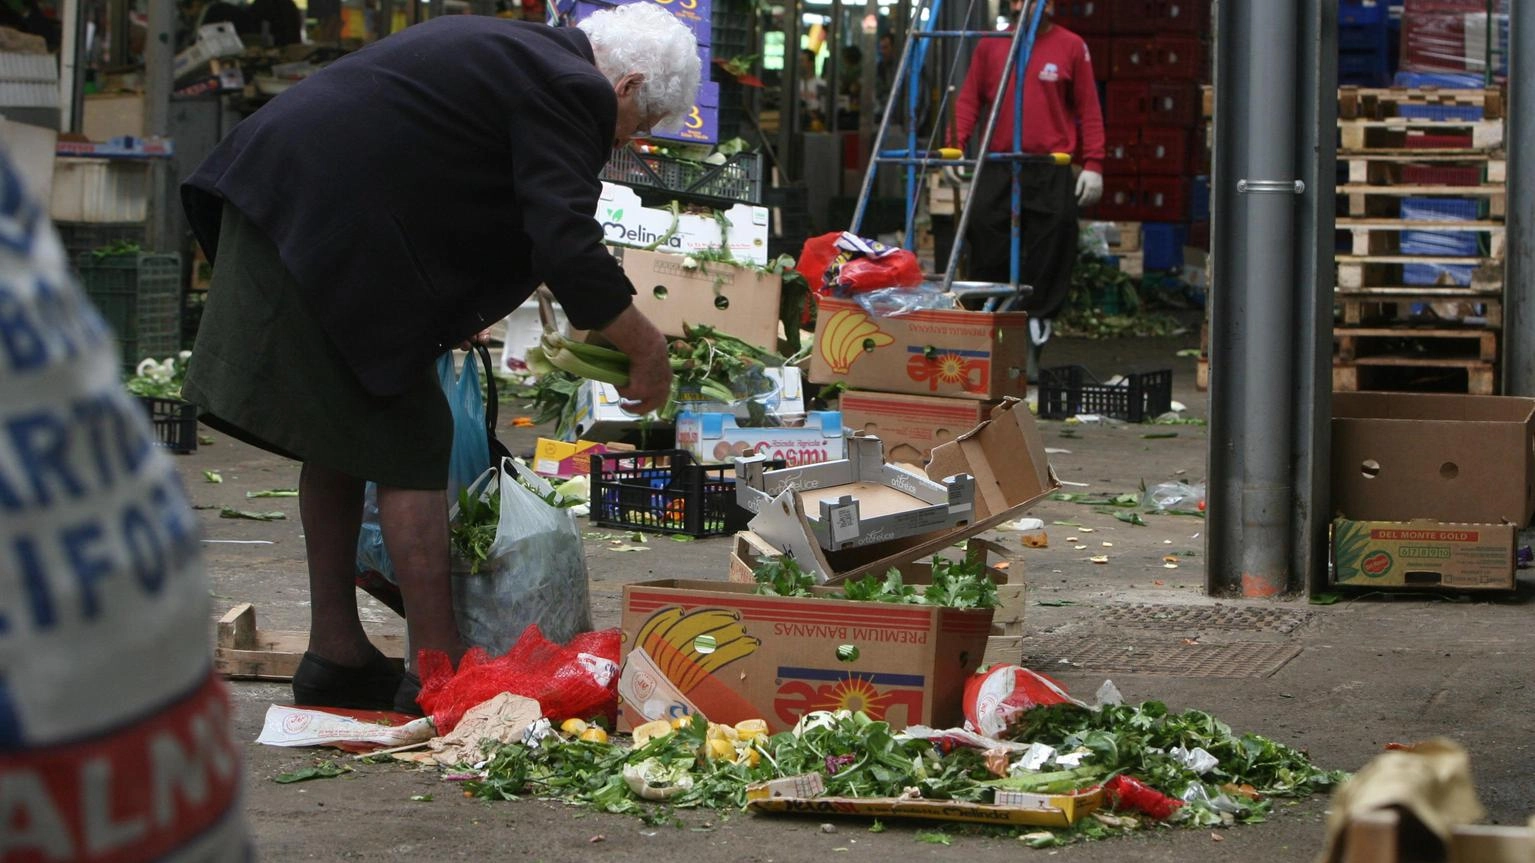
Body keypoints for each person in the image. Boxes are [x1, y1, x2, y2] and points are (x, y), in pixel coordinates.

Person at [179, 3, 697, 714]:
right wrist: (647, 347)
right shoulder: (575, 87)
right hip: (320, 222)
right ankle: (438, 671)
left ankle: (336, 652)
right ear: (628, 84)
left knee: (345, 431)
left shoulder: (514, 49)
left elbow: (434, 167)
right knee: (411, 440)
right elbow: (565, 243)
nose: (618, 142)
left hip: (285, 202)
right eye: (632, 129)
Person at [952, 0, 1103, 376]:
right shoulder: (990, 45)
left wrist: (1095, 164)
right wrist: (957, 145)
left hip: (1050, 166)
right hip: (999, 163)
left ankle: (1034, 334)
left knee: (1054, 240)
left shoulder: (1071, 46)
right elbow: (970, 97)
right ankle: (990, 328)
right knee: (984, 229)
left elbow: (1088, 108)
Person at [797, 47, 827, 131]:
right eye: (799, 61)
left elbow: (824, 109)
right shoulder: (796, 85)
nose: (800, 64)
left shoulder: (822, 85)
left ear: (811, 63)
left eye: (802, 61)